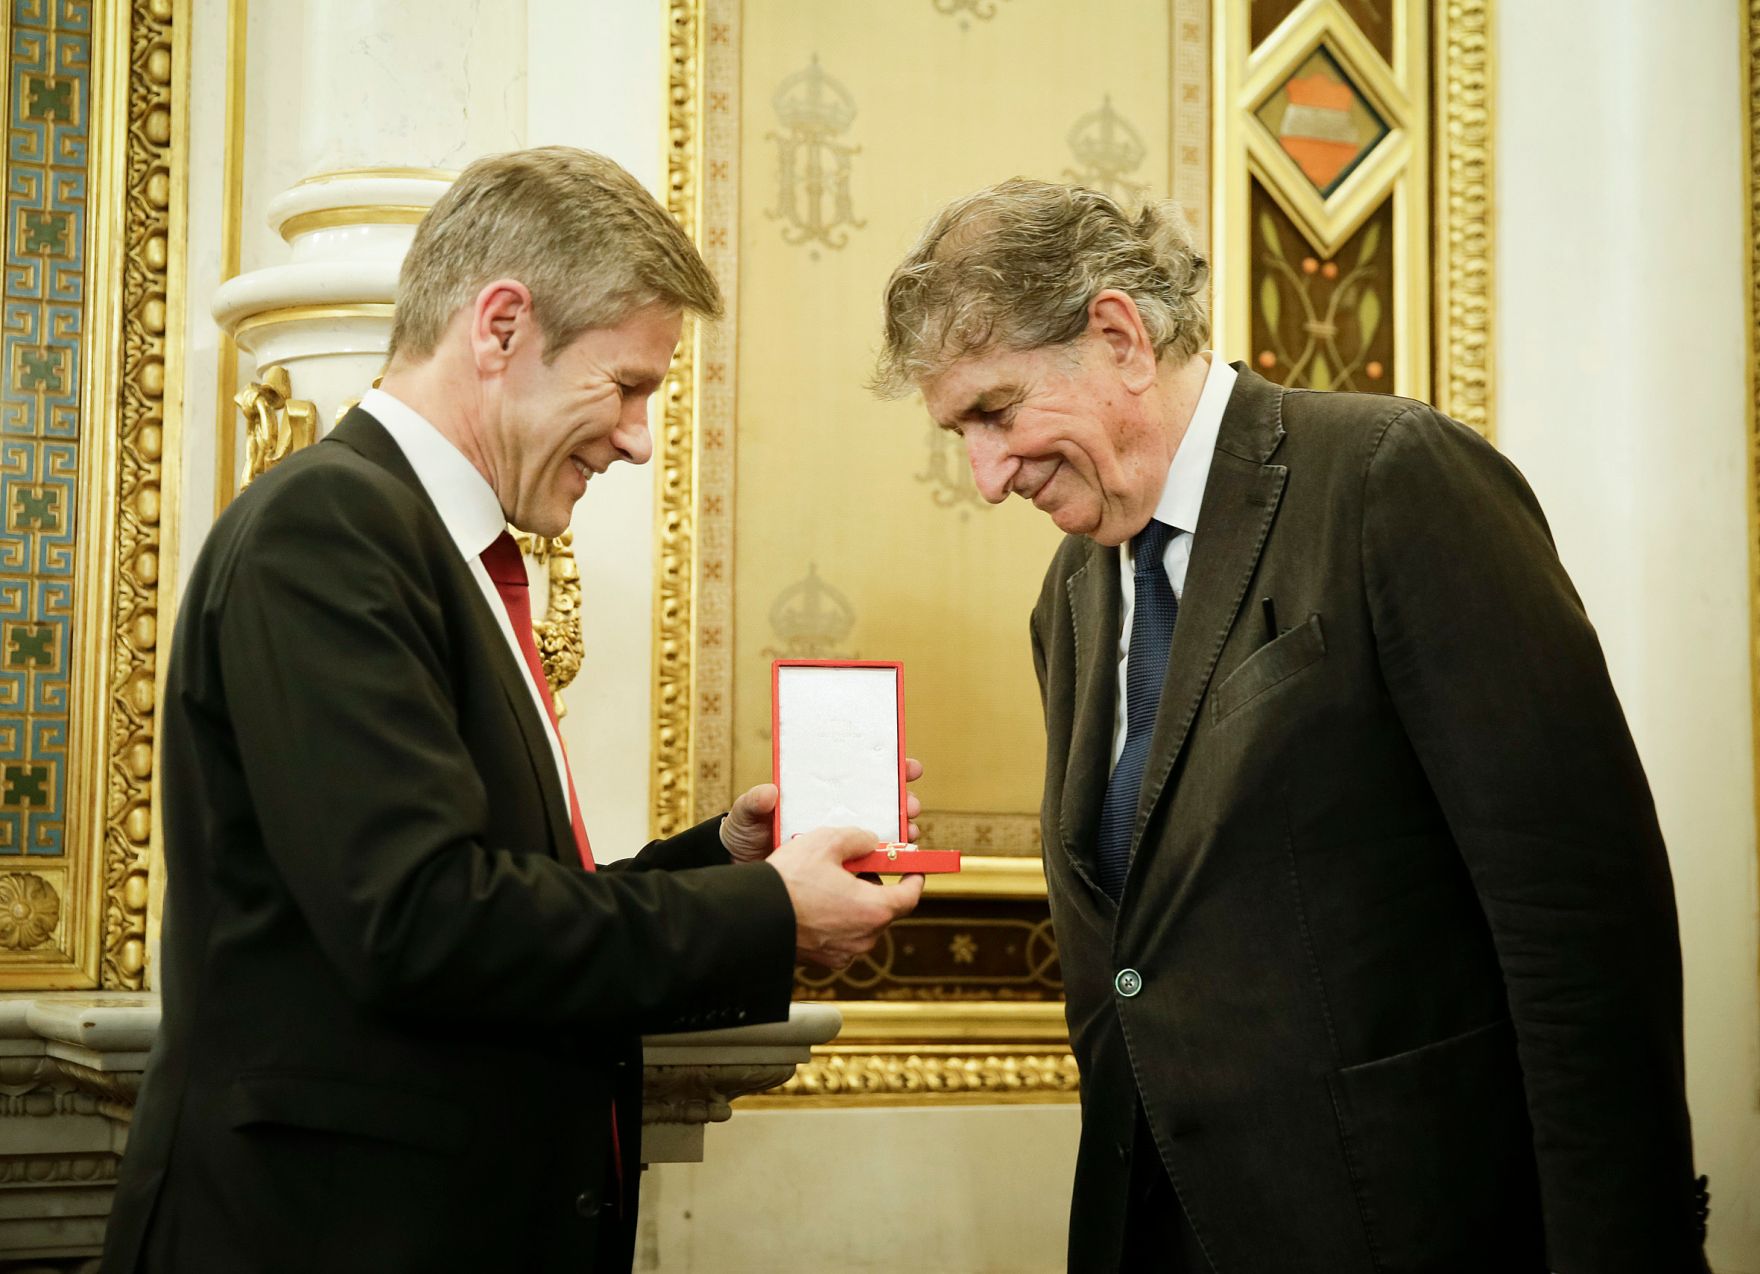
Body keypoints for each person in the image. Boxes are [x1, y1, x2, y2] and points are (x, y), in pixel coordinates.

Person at [101, 147, 924, 1274]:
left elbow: (503, 903)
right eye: (628, 384)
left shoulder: (435, 544)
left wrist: (727, 859)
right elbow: (424, 921)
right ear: (499, 326)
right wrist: (766, 911)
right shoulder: (331, 526)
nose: (638, 435)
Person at [874, 178, 1708, 1274]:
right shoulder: (1069, 596)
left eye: (994, 411)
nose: (984, 476)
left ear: (1118, 335)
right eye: (959, 433)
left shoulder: (1385, 481)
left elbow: (1578, 918)